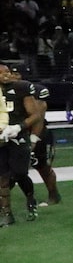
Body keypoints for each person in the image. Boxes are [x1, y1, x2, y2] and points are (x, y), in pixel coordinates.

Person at [8, 65, 61, 205]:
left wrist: (33, 140)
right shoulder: (4, 90)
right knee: (9, 170)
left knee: (42, 166)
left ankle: (53, 195)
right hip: (12, 134)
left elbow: (38, 117)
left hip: (35, 133)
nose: (12, 77)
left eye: (16, 74)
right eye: (10, 73)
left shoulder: (33, 90)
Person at [0, 62, 40, 224]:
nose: (6, 74)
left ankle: (31, 200)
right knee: (2, 176)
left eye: (7, 71)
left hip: (18, 135)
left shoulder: (21, 87)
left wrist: (18, 127)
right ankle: (6, 213)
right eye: (1, 72)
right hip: (1, 138)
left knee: (19, 173)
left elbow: (35, 114)